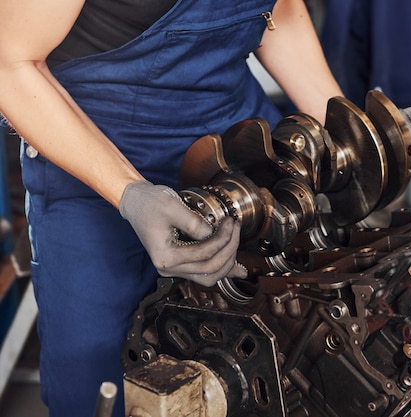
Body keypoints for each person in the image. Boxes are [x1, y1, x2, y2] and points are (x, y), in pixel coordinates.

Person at [0, 0, 343, 415]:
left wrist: (340, 129)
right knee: (98, 382)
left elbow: (278, 9)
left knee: (282, 357)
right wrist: (130, 193)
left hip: (231, 134)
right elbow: (10, 63)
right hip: (89, 147)